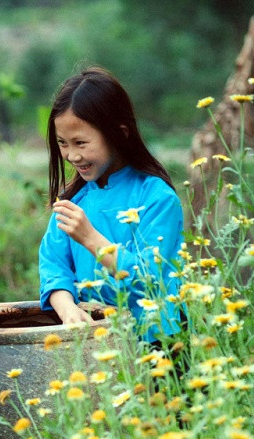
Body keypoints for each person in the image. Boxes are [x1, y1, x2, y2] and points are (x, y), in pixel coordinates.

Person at [38, 66, 185, 343]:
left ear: (119, 133)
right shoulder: (74, 201)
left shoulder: (156, 198)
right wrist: (68, 309)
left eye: (81, 142)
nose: (71, 155)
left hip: (157, 345)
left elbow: (149, 282)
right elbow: (53, 267)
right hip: (97, 344)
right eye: (62, 143)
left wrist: (91, 238)